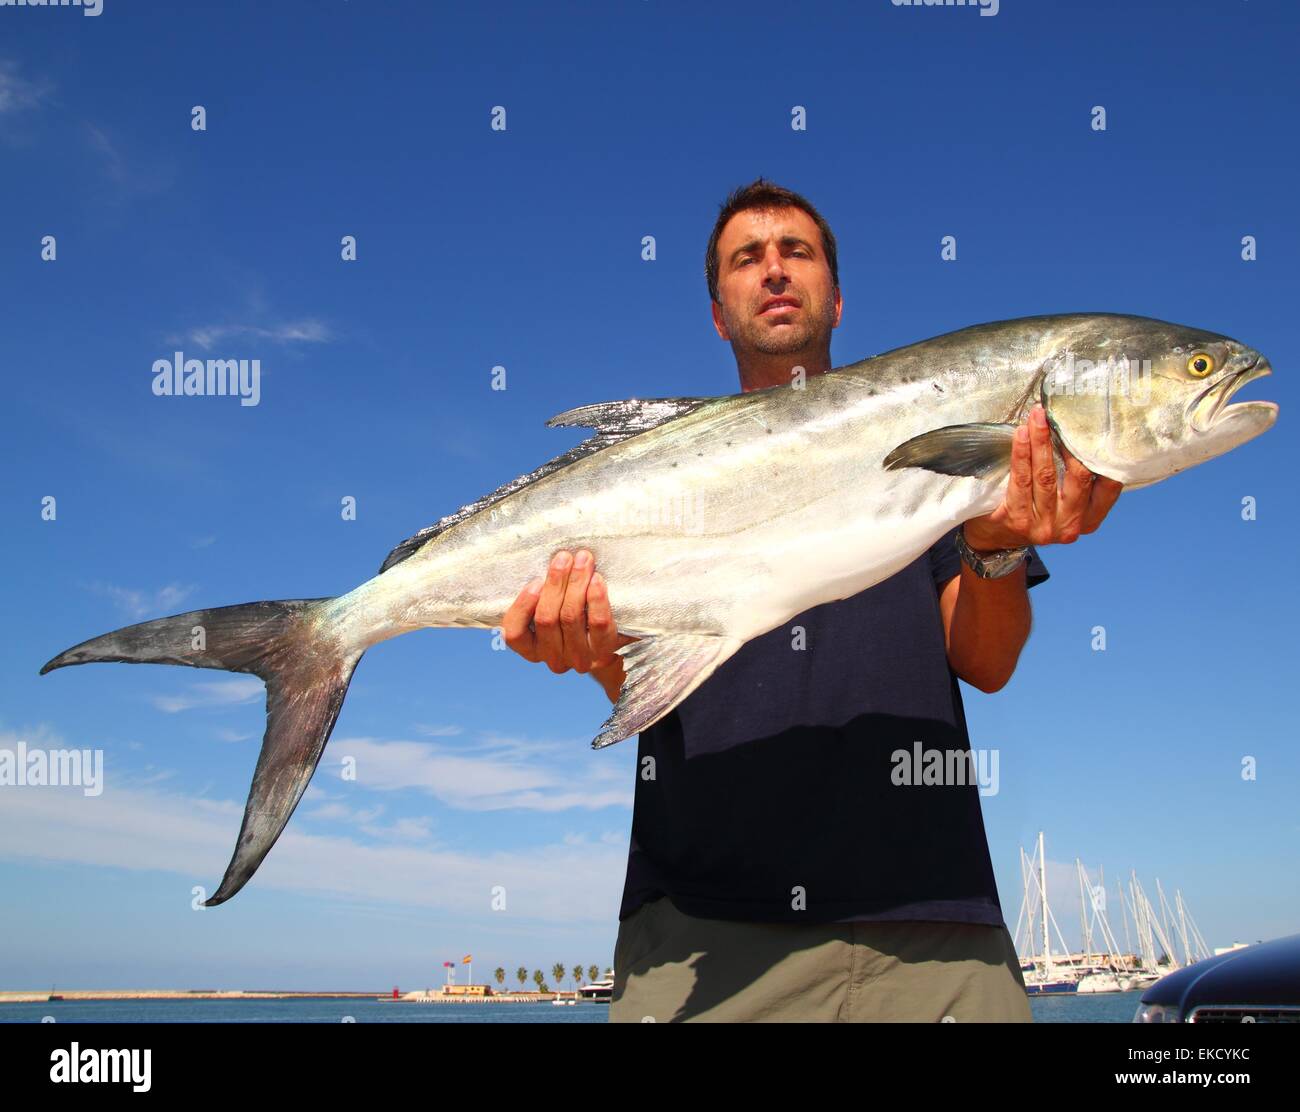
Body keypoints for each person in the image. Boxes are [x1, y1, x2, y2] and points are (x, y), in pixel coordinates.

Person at [501, 179, 1123, 1022]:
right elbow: (641, 689)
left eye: (797, 251)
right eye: (746, 259)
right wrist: (584, 648)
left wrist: (999, 542)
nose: (774, 270)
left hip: (934, 929)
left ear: (836, 292)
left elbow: (987, 660)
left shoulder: (937, 433)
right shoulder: (652, 477)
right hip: (706, 936)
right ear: (719, 311)